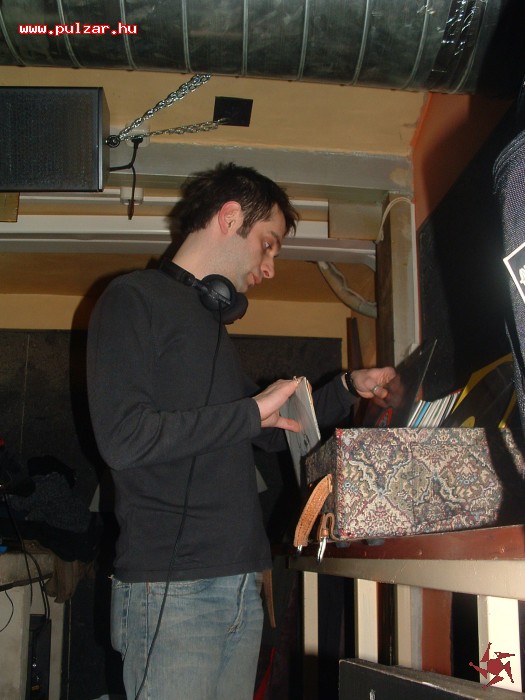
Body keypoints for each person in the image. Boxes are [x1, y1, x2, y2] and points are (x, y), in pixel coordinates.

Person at [86, 162, 396, 700]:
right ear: (229, 218)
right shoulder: (131, 299)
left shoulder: (209, 325)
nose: (270, 267)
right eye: (268, 244)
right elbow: (123, 439)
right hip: (173, 590)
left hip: (242, 583)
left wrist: (349, 386)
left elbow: (272, 429)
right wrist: (251, 411)